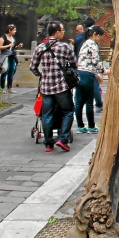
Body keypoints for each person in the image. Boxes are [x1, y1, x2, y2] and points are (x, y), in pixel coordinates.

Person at [30, 21, 77, 153]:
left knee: (47, 115)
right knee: (68, 112)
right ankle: (62, 139)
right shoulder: (64, 47)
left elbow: (32, 67)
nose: (63, 32)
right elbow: (74, 63)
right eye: (62, 30)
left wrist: (42, 76)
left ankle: (49, 144)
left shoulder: (40, 47)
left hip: (45, 88)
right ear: (57, 32)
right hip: (61, 86)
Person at [75, 25, 105, 134]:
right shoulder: (93, 45)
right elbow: (95, 62)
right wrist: (103, 71)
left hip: (79, 73)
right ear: (95, 34)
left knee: (78, 102)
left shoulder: (85, 43)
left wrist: (97, 74)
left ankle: (80, 126)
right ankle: (91, 125)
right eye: (100, 36)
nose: (101, 38)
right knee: (88, 102)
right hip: (88, 75)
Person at [0, 25, 23, 92]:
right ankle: (2, 87)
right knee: (5, 71)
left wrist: (18, 47)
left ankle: (10, 87)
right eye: (14, 30)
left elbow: (13, 48)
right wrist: (8, 45)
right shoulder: (3, 38)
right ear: (9, 30)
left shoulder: (12, 38)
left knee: (11, 71)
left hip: (12, 56)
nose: (15, 31)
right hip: (6, 56)